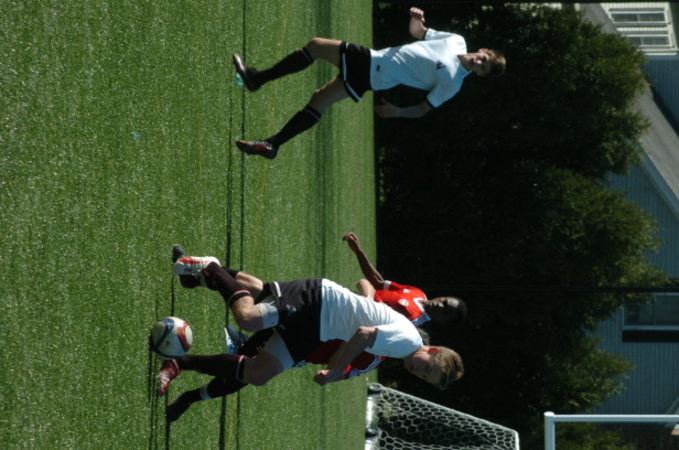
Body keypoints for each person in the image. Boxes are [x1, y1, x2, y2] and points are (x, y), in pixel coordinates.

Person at [160, 252, 464, 421]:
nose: (418, 371)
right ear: (432, 350)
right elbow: (363, 334)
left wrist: (336, 370)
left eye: (424, 377)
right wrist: (335, 370)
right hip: (318, 301)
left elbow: (361, 334)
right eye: (427, 368)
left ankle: (179, 363)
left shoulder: (404, 349)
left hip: (317, 330)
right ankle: (211, 268)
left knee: (259, 372)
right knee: (248, 318)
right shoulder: (409, 342)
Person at [233, 6, 506, 160]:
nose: (478, 63)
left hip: (374, 65)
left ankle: (257, 79)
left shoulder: (453, 84)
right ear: (482, 50)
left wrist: (396, 112)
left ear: (480, 75)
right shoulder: (457, 40)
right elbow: (419, 33)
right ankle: (273, 144)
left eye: (482, 68)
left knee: (316, 46)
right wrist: (416, 19)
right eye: (483, 59)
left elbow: (423, 108)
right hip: (374, 72)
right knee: (319, 100)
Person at [342, 232, 466, 326]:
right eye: (444, 302)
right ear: (443, 296)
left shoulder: (414, 323)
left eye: (445, 312)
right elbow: (378, 282)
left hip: (350, 319)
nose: (440, 306)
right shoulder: (418, 293)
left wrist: (366, 304)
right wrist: (358, 251)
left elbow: (375, 326)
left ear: (443, 322)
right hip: (350, 299)